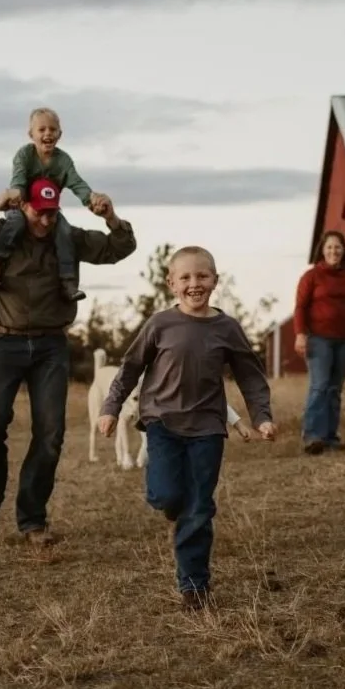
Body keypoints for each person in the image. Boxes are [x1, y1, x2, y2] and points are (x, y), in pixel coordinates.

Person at [0, 178, 137, 545]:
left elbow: (119, 247)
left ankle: (32, 520)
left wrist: (111, 217)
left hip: (50, 346)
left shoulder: (66, 237)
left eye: (51, 212)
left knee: (50, 434)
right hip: (2, 341)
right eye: (38, 212)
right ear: (22, 206)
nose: (45, 221)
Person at [98, 246, 276, 611]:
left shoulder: (227, 328)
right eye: (186, 277)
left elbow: (250, 376)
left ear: (215, 280)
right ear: (171, 284)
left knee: (198, 507)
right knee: (167, 497)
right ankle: (167, 503)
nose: (195, 284)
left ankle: (194, 585)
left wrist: (261, 415)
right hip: (162, 422)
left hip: (208, 427)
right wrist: (111, 407)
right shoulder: (160, 324)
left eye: (202, 276)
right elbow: (130, 368)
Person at [0, 107, 110, 303]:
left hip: (48, 207)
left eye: (52, 129)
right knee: (15, 224)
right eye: (42, 130)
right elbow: (19, 178)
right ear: (31, 134)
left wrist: (91, 199)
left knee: (63, 231)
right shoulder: (24, 155)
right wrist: (17, 195)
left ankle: (67, 281)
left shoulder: (63, 160)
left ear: (59, 134)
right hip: (24, 206)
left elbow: (76, 182)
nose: (47, 133)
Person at [293, 231, 345, 454]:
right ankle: (312, 436)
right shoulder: (311, 277)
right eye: (329, 248)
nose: (333, 251)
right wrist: (300, 334)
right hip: (319, 339)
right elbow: (300, 307)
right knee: (320, 386)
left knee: (335, 389)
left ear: (343, 251)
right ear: (322, 251)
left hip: (344, 340)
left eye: (337, 247)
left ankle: (330, 437)